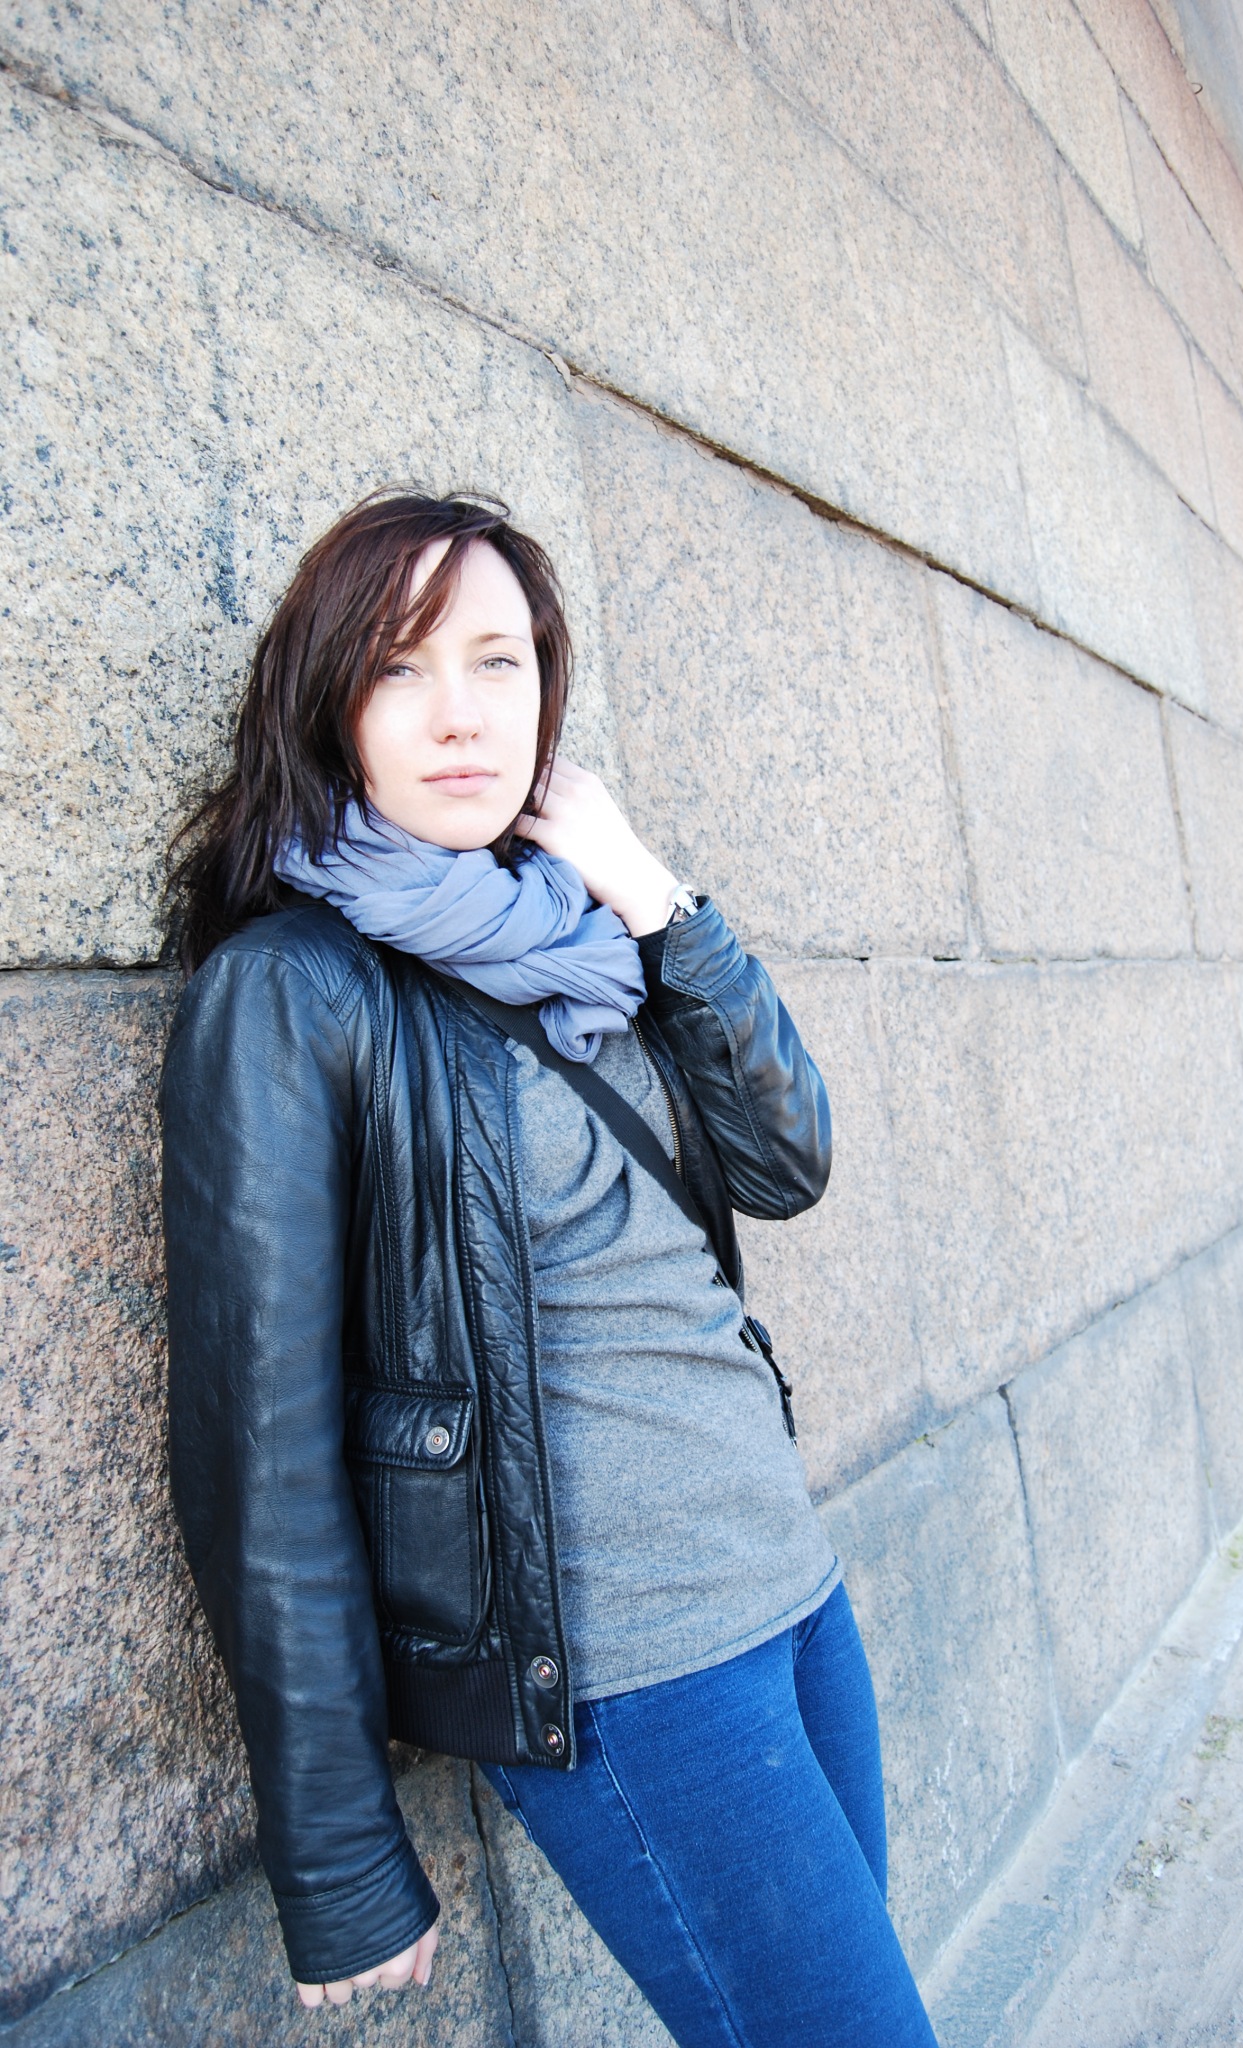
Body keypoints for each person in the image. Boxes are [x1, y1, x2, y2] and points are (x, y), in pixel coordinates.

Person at [160, 488, 940, 2047]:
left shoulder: (588, 937)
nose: (459, 713)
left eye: (496, 661)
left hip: (790, 1586)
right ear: (331, 707)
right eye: (399, 667)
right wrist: (333, 1843)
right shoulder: (294, 991)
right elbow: (258, 1440)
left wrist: (655, 895)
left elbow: (787, 1160)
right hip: (629, 1664)